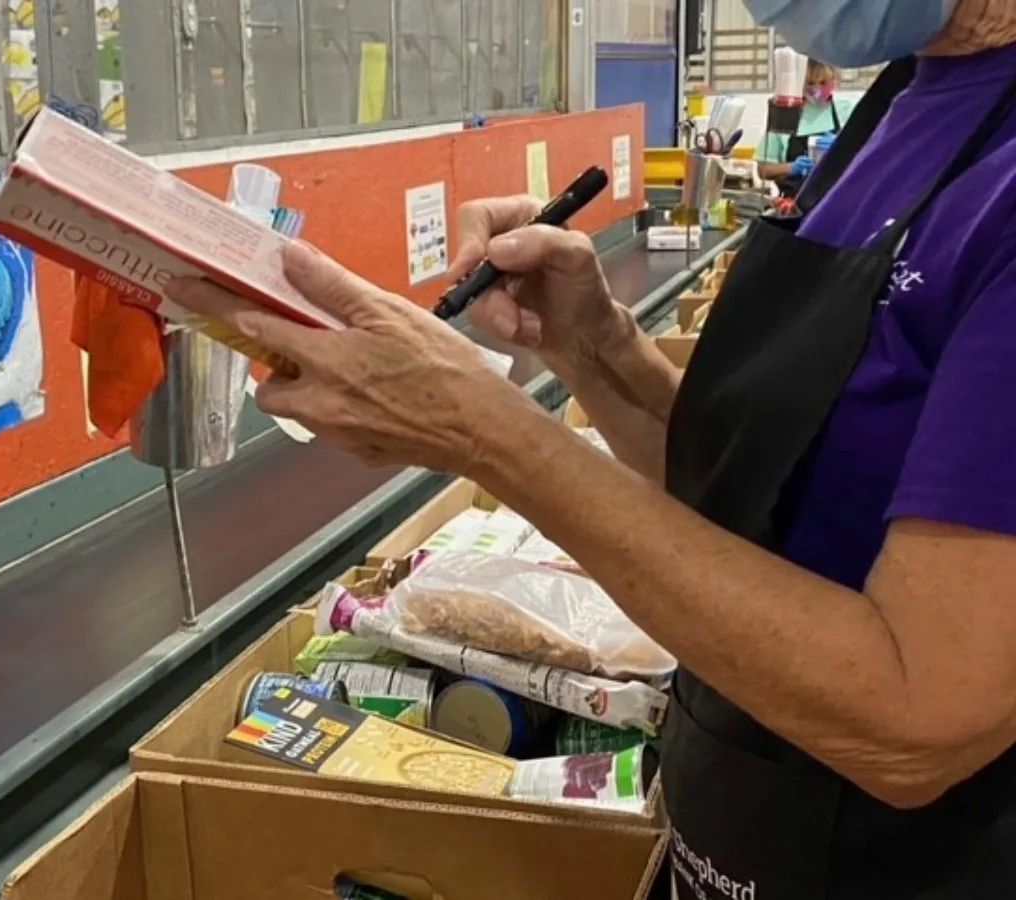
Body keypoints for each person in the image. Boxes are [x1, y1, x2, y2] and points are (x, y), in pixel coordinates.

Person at [167, 0, 1016, 894]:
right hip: (733, 833)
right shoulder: (903, 102)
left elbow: (919, 718)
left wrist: (490, 433)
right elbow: (757, 490)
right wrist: (592, 348)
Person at [756, 59, 856, 197]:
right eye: (810, 83)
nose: (817, 89)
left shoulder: (848, 110)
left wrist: (844, 145)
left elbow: (870, 155)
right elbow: (762, 170)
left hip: (840, 198)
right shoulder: (785, 115)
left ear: (834, 81)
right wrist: (791, 168)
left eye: (823, 83)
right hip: (793, 204)